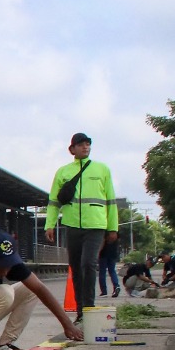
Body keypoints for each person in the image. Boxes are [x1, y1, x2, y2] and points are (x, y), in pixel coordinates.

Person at [44, 132, 118, 322]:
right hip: (72, 225)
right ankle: (81, 312)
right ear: (72, 149)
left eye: (88, 144)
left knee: (89, 263)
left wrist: (113, 228)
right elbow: (54, 201)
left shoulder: (102, 169)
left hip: (96, 224)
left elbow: (111, 200)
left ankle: (90, 308)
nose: (86, 147)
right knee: (76, 267)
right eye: (81, 144)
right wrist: (49, 224)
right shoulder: (63, 172)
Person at [97, 233, 121, 298]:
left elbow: (102, 242)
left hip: (103, 254)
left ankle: (104, 292)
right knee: (112, 271)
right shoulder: (116, 231)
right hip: (113, 254)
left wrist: (98, 252)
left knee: (102, 272)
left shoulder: (105, 231)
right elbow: (118, 242)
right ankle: (116, 286)